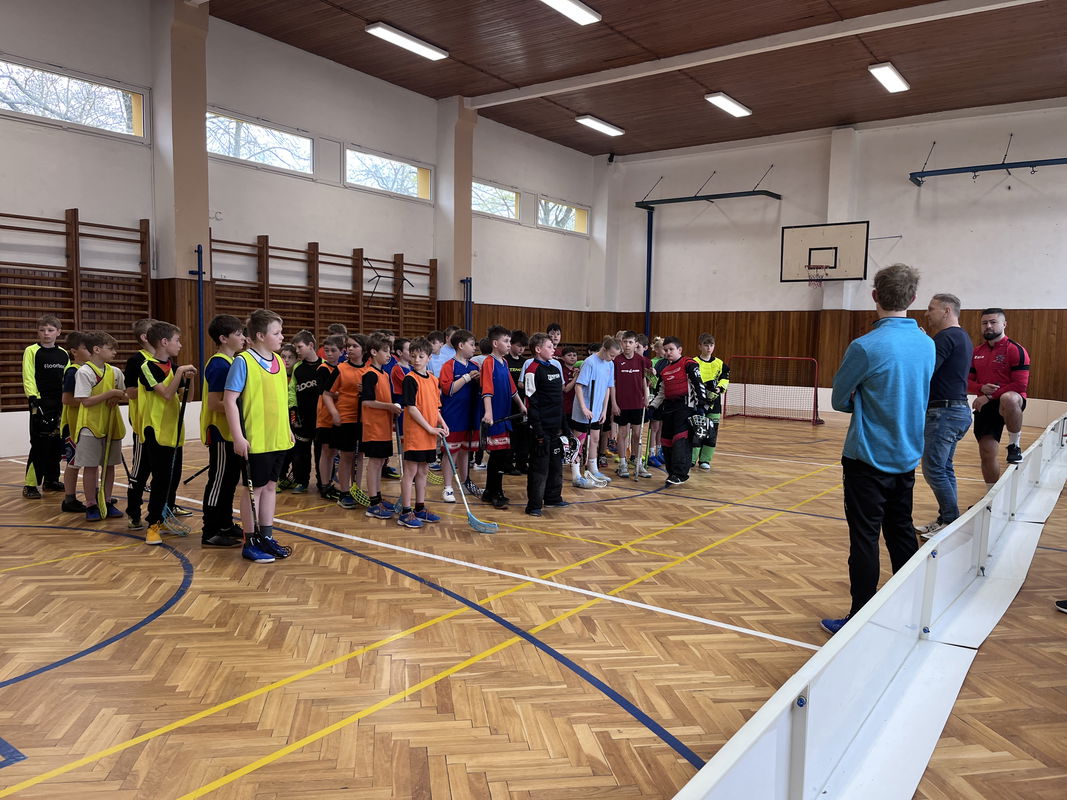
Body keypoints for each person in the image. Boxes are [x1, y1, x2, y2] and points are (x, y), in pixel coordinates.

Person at [820, 263, 934, 635]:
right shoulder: (927, 343)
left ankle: (859, 618)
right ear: (913, 298)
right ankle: (910, 609)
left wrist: (863, 400)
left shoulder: (865, 346)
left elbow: (839, 399)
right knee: (901, 531)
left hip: (866, 459)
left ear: (874, 296)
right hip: (906, 455)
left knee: (865, 538)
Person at [223, 309, 294, 564]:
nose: (282, 337)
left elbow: (281, 400)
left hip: (278, 437)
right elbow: (229, 401)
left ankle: (266, 536)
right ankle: (250, 541)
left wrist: (287, 428)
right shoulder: (243, 361)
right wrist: (238, 436)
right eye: (277, 332)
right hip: (256, 439)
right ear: (261, 335)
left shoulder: (279, 361)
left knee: (271, 487)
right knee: (254, 490)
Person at [916, 294, 973, 539]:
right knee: (944, 468)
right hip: (956, 411)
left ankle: (949, 520)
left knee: (934, 470)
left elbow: (925, 370)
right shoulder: (962, 337)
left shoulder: (945, 337)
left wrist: (922, 345)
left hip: (944, 413)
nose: (926, 313)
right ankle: (947, 518)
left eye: (931, 309)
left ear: (947, 311)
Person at [137, 321, 198, 545]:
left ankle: (164, 517)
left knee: (173, 478)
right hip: (156, 431)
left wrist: (189, 381)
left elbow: (186, 398)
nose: (180, 345)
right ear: (164, 342)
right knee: (161, 479)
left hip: (174, 431)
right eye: (177, 340)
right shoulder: (148, 366)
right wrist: (179, 372)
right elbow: (165, 394)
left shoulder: (174, 367)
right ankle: (153, 524)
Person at [198, 315, 246, 547]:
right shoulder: (219, 364)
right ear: (223, 338)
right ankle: (210, 531)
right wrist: (239, 405)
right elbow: (214, 403)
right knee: (218, 481)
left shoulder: (231, 362)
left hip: (230, 432)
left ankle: (225, 524)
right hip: (220, 431)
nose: (243, 338)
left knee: (229, 481)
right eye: (238, 334)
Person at [969, 308, 1030, 483]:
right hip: (986, 405)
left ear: (1004, 324)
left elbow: (1020, 385)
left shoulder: (1015, 350)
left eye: (993, 322)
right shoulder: (976, 352)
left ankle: (1014, 445)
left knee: (1008, 398)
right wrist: (981, 387)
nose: (988, 326)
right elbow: (966, 381)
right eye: (984, 323)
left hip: (1011, 400)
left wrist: (989, 395)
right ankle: (991, 495)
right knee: (987, 453)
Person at [72, 331, 127, 522]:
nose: (114, 352)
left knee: (109, 465)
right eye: (110, 349)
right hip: (90, 426)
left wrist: (117, 396)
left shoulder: (116, 372)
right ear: (96, 349)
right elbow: (85, 401)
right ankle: (91, 504)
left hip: (111, 424)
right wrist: (110, 393)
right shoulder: (84, 372)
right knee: (91, 466)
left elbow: (125, 394)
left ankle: (107, 500)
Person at [397, 338, 447, 528]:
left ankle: (420, 507)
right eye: (413, 356)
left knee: (424, 470)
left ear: (429, 357)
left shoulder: (433, 380)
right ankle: (405, 512)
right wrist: (429, 427)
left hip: (429, 434)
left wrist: (442, 423)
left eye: (421, 356)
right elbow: (411, 408)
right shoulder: (410, 379)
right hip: (416, 434)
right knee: (410, 471)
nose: (416, 360)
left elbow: (435, 407)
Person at [648, 337, 708, 487]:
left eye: (671, 349)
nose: (668, 352)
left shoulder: (689, 364)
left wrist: (702, 405)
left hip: (685, 408)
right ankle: (672, 473)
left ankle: (680, 474)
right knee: (666, 441)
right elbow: (661, 393)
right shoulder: (664, 370)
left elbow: (698, 384)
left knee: (680, 441)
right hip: (668, 409)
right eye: (666, 350)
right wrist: (653, 406)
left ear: (679, 350)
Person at [22, 313, 68, 498]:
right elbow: (28, 375)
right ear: (38, 332)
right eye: (42, 330)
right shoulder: (32, 351)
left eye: (50, 330)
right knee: (40, 444)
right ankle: (30, 484)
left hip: (60, 404)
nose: (46, 333)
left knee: (56, 444)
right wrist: (33, 398)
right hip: (40, 403)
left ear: (58, 332)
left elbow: (67, 378)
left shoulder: (63, 353)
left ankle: (51, 480)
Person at [524, 333, 571, 516]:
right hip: (541, 429)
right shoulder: (532, 370)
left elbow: (559, 400)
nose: (554, 349)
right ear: (538, 349)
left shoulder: (554, 368)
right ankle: (534, 505)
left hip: (555, 428)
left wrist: (565, 427)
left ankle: (553, 497)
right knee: (539, 468)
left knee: (556, 465)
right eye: (549, 346)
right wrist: (538, 431)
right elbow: (531, 403)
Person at [480, 325, 526, 508]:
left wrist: (521, 405)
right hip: (495, 416)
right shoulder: (488, 362)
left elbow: (512, 388)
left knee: (502, 454)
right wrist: (488, 412)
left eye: (509, 341)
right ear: (495, 343)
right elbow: (487, 388)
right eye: (506, 341)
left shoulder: (504, 363)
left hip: (506, 415)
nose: (509, 344)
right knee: (497, 455)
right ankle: (494, 492)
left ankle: (491, 491)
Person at [322, 335, 367, 509]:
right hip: (346, 418)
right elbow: (327, 394)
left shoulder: (369, 370)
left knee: (360, 456)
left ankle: (356, 489)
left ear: (363, 349)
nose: (350, 349)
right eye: (348, 346)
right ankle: (344, 492)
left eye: (355, 346)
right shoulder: (341, 369)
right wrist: (334, 413)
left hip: (364, 419)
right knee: (347, 455)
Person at [361, 334, 403, 519]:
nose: (389, 355)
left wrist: (392, 410)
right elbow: (367, 402)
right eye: (385, 351)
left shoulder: (384, 374)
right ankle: (373, 503)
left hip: (384, 426)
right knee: (374, 463)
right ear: (373, 352)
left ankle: (378, 497)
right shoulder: (369, 374)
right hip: (373, 427)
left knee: (380, 463)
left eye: (390, 351)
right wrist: (389, 407)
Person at [570, 336, 620, 488]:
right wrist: (584, 408)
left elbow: (607, 388)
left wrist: (604, 410)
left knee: (595, 439)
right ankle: (576, 475)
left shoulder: (610, 364)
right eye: (611, 355)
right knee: (579, 442)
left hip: (597, 410)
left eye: (615, 356)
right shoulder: (590, 362)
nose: (613, 358)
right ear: (604, 349)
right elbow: (579, 386)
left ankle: (593, 469)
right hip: (584, 410)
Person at [438, 328, 481, 503]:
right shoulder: (449, 366)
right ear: (461, 345)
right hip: (453, 415)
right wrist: (467, 378)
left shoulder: (475, 366)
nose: (474, 348)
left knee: (465, 451)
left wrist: (479, 380)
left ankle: (465, 482)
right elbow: (448, 390)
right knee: (451, 452)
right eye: (472, 344)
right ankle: (448, 487)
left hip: (471, 414)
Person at [123, 317, 157, 529]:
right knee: (140, 470)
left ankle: (165, 507)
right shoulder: (136, 361)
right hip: (144, 423)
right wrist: (154, 386)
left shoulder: (165, 360)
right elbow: (131, 392)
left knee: (165, 472)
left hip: (165, 425)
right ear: (145, 337)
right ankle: (133, 512)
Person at [612, 331, 652, 479]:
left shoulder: (641, 360)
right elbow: (612, 384)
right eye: (625, 342)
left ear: (636, 344)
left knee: (637, 434)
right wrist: (614, 403)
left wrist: (646, 397)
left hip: (637, 403)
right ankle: (622, 464)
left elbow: (643, 380)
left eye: (630, 342)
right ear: (621, 343)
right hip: (622, 404)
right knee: (622, 434)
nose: (627, 345)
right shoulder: (616, 361)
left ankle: (637, 463)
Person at [59, 331, 90, 513]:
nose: (90, 351)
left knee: (91, 463)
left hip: (87, 424)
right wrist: (91, 400)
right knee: (73, 463)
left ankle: (93, 495)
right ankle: (69, 499)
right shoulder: (73, 371)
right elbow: (67, 399)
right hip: (73, 425)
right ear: (74, 351)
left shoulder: (90, 370)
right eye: (85, 348)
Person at [288, 330, 321, 493]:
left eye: (300, 347)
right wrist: (293, 412)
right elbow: (292, 391)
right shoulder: (297, 368)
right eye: (295, 348)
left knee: (321, 453)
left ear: (311, 345)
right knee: (301, 453)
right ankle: (301, 481)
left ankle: (323, 482)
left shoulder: (324, 366)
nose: (297, 351)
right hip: (302, 419)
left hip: (321, 418)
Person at [692, 333, 730, 471]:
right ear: (700, 346)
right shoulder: (693, 362)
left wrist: (719, 389)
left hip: (714, 403)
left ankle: (705, 459)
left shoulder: (720, 364)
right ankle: (691, 459)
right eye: (706, 345)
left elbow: (724, 379)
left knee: (712, 431)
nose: (709, 348)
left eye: (711, 345)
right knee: (698, 430)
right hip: (698, 403)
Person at [314, 335, 344, 499]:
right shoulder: (323, 369)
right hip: (325, 417)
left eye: (333, 350)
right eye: (327, 350)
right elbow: (325, 392)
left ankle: (329, 483)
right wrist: (345, 394)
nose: (329, 354)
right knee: (326, 452)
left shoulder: (340, 368)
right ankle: (324, 485)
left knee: (333, 452)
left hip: (338, 417)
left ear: (342, 351)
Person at [506, 330, 530, 474]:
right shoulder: (505, 361)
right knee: (511, 435)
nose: (521, 349)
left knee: (523, 434)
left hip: (523, 403)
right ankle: (508, 464)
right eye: (519, 346)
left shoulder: (525, 362)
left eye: (523, 346)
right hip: (509, 404)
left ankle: (522, 463)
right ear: (511, 344)